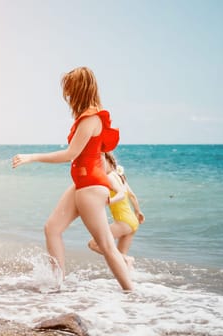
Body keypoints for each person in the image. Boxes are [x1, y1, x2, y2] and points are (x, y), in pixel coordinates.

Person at [12, 66, 133, 291]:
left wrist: (31, 157)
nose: (67, 95)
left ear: (79, 89)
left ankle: (131, 294)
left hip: (91, 188)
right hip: (82, 185)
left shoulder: (91, 119)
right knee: (52, 228)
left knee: (106, 245)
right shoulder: (87, 117)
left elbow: (70, 154)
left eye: (69, 90)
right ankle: (57, 285)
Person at [88, 152, 145, 269]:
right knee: (121, 262)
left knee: (93, 244)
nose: (99, 166)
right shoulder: (120, 176)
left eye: (101, 162)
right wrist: (138, 212)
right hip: (132, 222)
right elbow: (132, 196)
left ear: (109, 161)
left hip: (123, 222)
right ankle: (130, 283)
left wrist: (110, 201)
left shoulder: (109, 177)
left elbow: (121, 195)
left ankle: (127, 259)